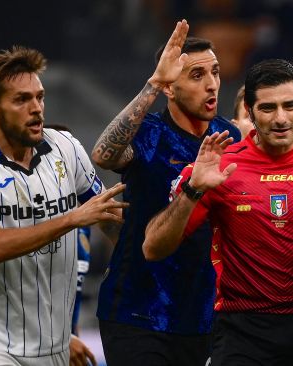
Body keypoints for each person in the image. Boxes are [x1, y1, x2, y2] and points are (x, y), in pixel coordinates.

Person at [142, 58, 293, 366]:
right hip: (241, 329)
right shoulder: (216, 167)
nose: (281, 118)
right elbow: (153, 247)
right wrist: (193, 190)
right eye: (268, 108)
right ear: (250, 112)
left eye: (290, 106)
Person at [0, 46, 126, 366]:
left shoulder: (65, 147)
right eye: (21, 99)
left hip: (54, 348)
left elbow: (110, 218)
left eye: (39, 97)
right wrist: (71, 219)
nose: (37, 108)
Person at [90, 20, 240, 366]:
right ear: (171, 89)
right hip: (137, 312)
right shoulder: (149, 133)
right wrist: (155, 82)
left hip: (204, 313)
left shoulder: (228, 137)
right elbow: (102, 155)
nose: (212, 84)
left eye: (215, 72)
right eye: (197, 76)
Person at [43, 124, 98, 366]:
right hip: (35, 345)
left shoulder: (83, 224)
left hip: (66, 347)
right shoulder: (33, 226)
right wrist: (62, 338)